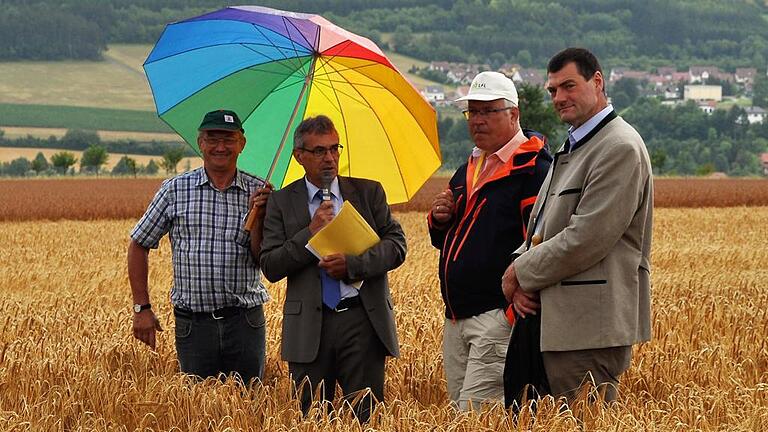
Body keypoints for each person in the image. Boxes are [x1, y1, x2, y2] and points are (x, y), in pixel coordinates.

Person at [502, 47, 653, 403]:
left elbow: (587, 237)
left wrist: (518, 272)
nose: (559, 97)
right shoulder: (577, 145)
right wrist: (521, 272)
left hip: (587, 331)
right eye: (553, 90)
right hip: (554, 323)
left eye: (568, 86)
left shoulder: (619, 147)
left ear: (597, 81)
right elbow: (540, 228)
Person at [259, 115, 406, 422]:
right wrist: (309, 233)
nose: (329, 158)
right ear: (299, 156)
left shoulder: (368, 193)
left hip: (362, 321)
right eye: (319, 151)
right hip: (309, 328)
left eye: (334, 149)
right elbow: (271, 265)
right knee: (310, 418)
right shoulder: (282, 202)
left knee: (366, 418)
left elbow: (396, 246)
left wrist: (353, 265)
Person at [428, 71, 551, 410]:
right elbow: (450, 238)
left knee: (475, 417)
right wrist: (440, 219)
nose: (477, 121)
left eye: (488, 111)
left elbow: (543, 241)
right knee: (462, 412)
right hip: (456, 318)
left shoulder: (533, 169)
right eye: (472, 112)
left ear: (514, 114)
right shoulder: (471, 165)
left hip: (495, 317)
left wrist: (520, 297)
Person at [128, 109, 272, 385]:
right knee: (194, 411)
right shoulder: (175, 190)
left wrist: (261, 217)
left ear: (242, 143)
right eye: (212, 138)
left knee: (248, 410)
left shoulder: (260, 193)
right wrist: (141, 307)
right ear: (200, 143)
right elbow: (139, 244)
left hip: (245, 322)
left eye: (229, 139)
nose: (220, 147)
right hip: (193, 326)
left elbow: (262, 259)